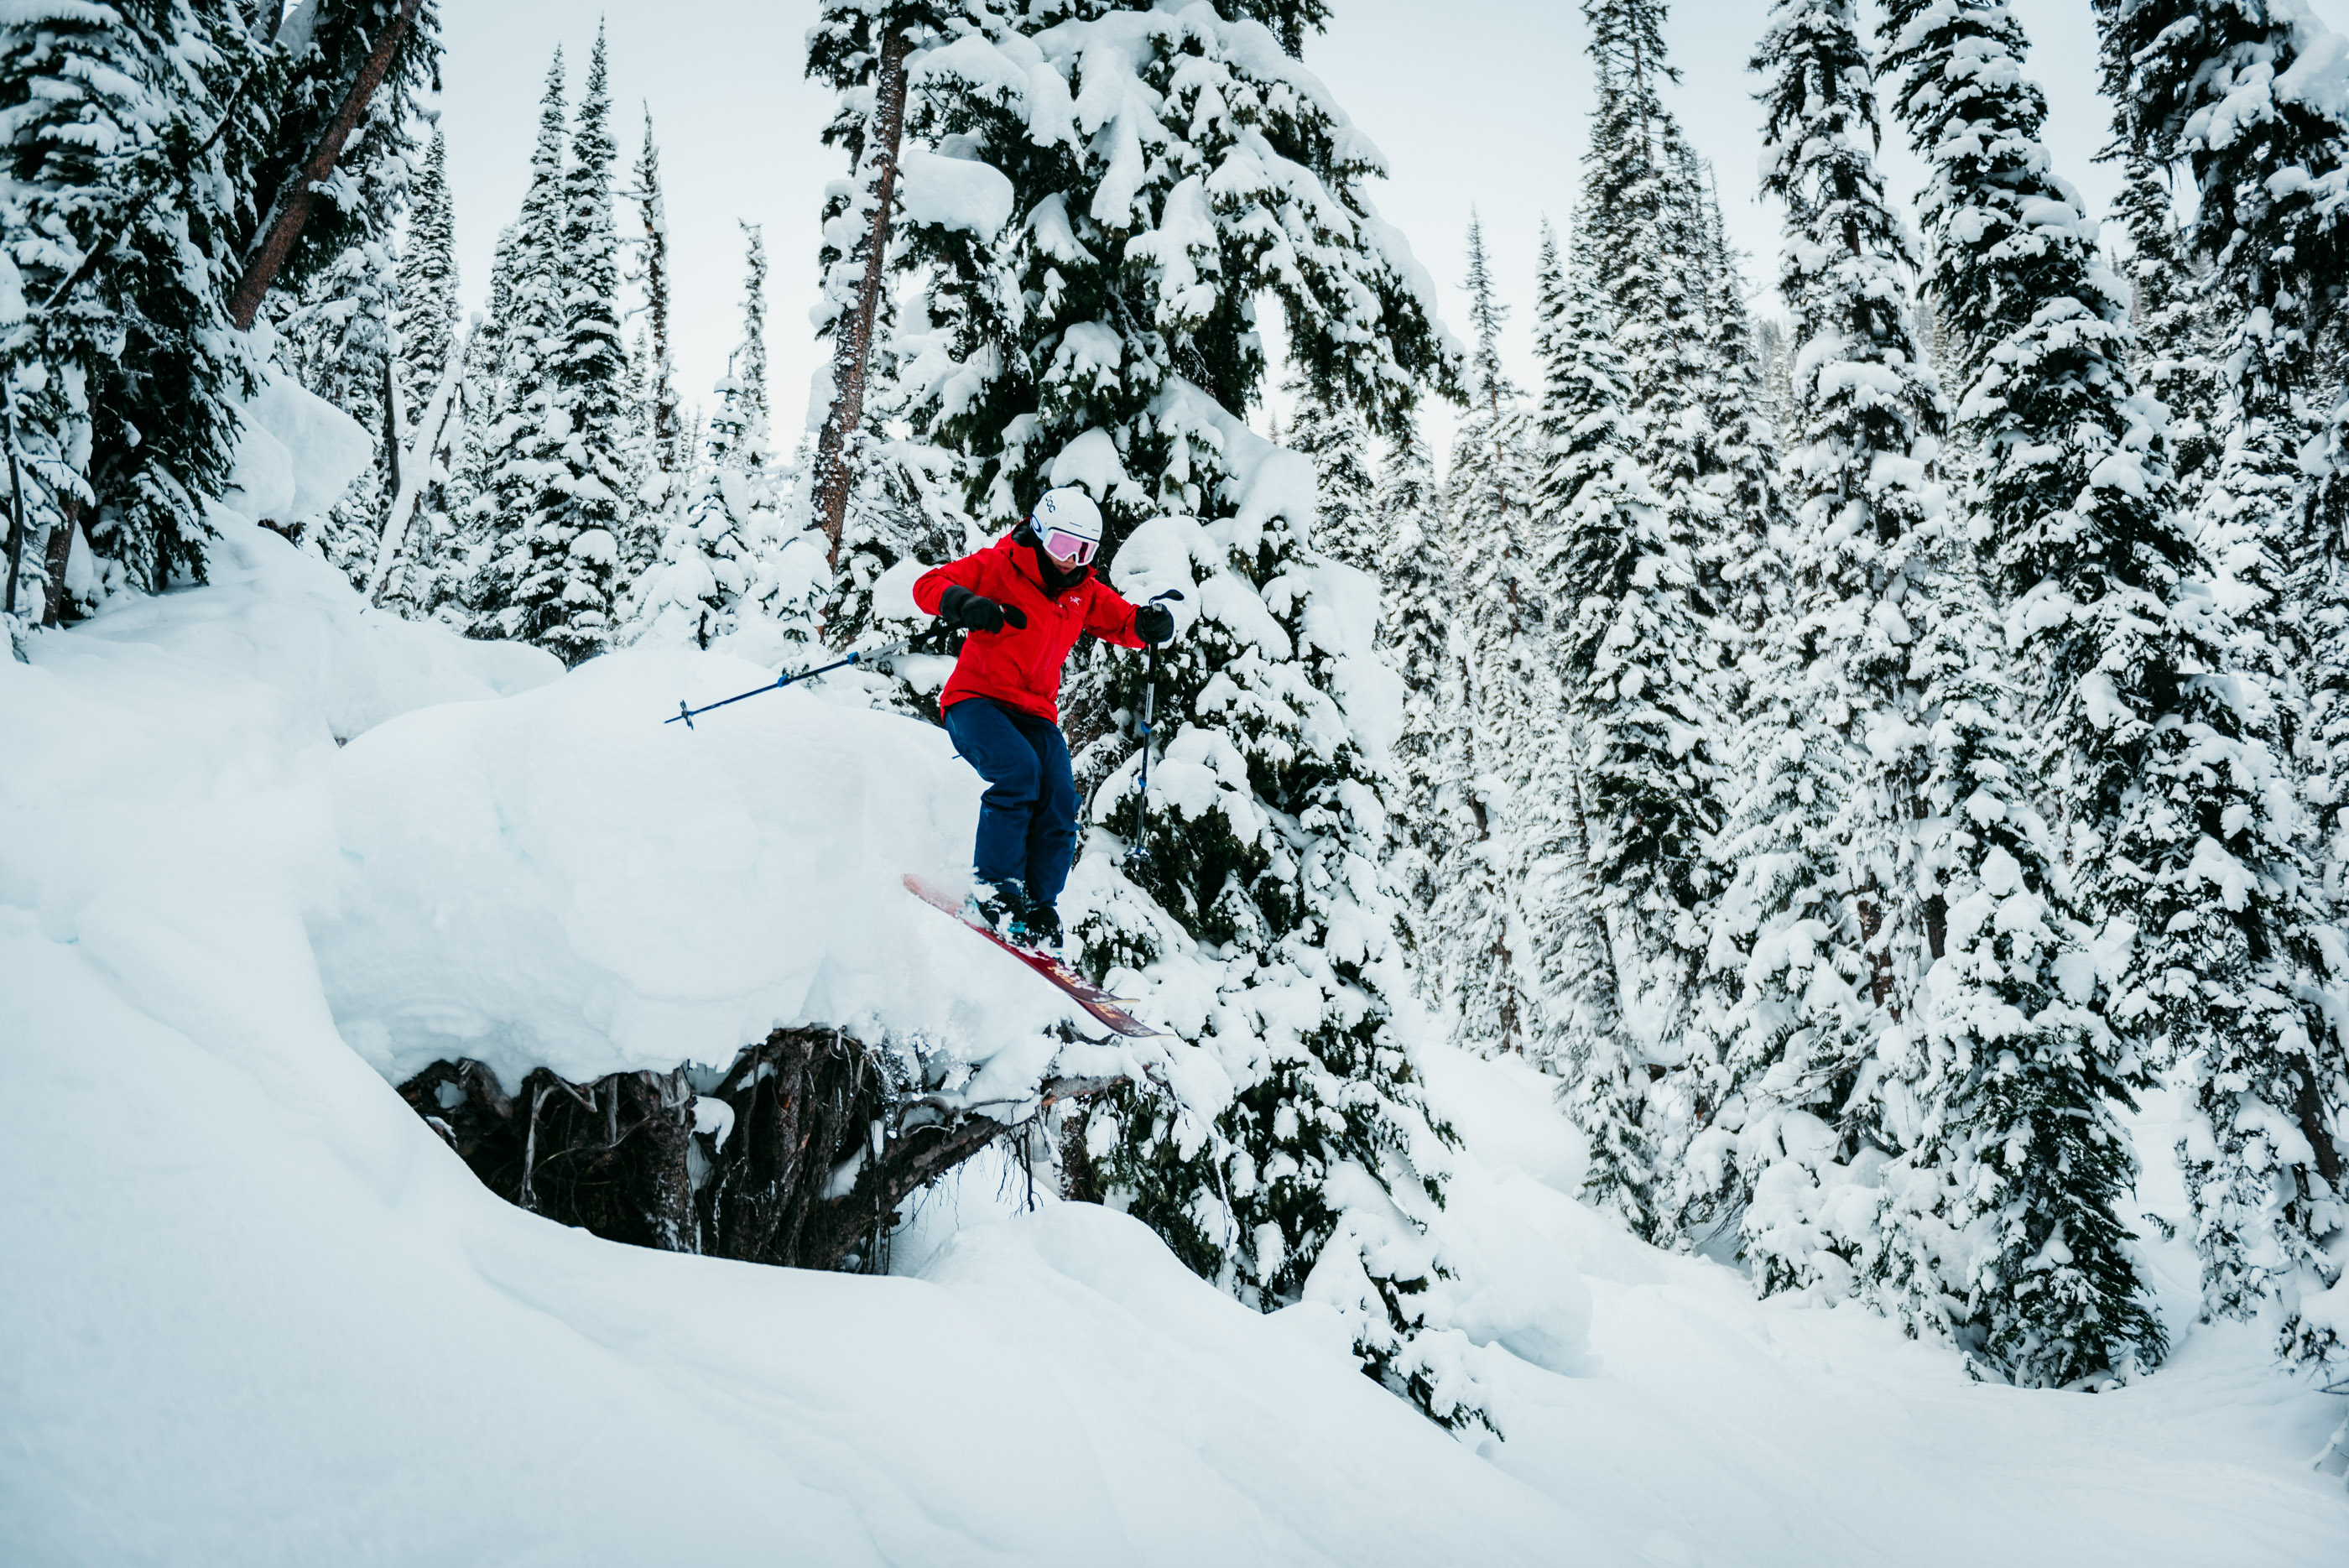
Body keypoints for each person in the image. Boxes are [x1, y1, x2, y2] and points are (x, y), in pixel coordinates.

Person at [914, 487, 1177, 944]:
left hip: (1034, 712)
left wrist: (1147, 625)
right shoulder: (1000, 566)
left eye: (1084, 551)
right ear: (1038, 534)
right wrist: (966, 603)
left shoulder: (1082, 592)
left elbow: (1122, 622)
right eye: (1063, 546)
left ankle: (1037, 904)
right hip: (975, 701)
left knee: (1059, 795)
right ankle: (995, 887)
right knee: (1018, 772)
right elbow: (928, 586)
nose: (1072, 559)